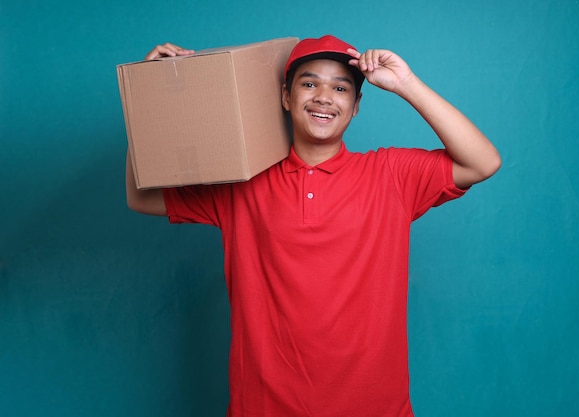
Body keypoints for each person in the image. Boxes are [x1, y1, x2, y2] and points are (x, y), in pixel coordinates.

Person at [126, 35, 501, 417]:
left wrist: (407, 84)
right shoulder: (242, 185)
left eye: (340, 88)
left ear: (355, 107)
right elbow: (141, 196)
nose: (324, 96)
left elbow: (482, 162)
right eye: (309, 83)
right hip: (263, 408)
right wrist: (148, 95)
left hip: (375, 408)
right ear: (286, 97)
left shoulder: (391, 175)